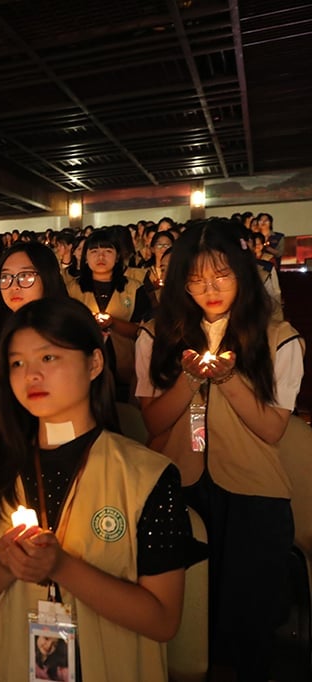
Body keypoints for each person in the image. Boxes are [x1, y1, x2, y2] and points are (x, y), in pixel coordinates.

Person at [0, 298, 198, 682]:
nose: (31, 375)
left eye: (49, 358)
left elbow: (163, 619)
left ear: (94, 363)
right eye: (17, 363)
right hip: (9, 663)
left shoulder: (147, 475)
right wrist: (3, 564)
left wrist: (61, 567)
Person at [136, 218, 304, 680]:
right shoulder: (158, 335)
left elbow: (271, 429)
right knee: (189, 611)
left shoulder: (277, 336)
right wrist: (190, 379)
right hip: (180, 484)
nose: (209, 288)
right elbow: (153, 420)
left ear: (243, 273)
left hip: (253, 490)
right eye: (195, 279)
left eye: (221, 275)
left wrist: (226, 380)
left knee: (244, 617)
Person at [0, 242, 69, 446]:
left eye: (25, 276)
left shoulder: (71, 336)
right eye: (5, 277)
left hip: (64, 448)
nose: (14, 286)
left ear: (47, 278)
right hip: (2, 451)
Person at [68, 229, 150, 401]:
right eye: (94, 252)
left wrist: (113, 322)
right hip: (83, 368)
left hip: (126, 367)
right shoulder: (72, 289)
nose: (100, 257)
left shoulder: (134, 288)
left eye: (107, 251)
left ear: (118, 256)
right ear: (85, 257)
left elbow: (142, 332)